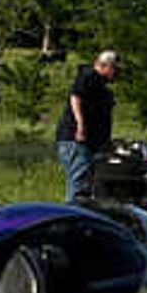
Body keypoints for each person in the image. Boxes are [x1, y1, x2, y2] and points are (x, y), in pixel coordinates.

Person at [58, 47, 121, 198]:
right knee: (79, 185)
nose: (118, 74)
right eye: (116, 69)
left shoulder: (101, 86)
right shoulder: (88, 76)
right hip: (77, 142)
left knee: (88, 186)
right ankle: (72, 218)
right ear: (104, 65)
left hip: (90, 144)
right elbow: (76, 97)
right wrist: (80, 126)